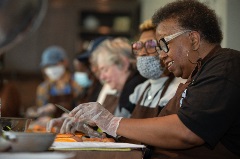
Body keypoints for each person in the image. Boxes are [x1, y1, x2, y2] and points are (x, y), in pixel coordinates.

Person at [54, 0, 240, 158]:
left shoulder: (224, 65)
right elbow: (155, 134)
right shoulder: (195, 76)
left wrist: (112, 122)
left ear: (193, 39)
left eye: (163, 44)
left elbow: (187, 132)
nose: (161, 55)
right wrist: (107, 135)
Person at [130, 19, 186, 119]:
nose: (142, 53)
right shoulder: (141, 89)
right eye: (139, 46)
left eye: (151, 45)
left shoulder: (178, 89)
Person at [91, 37, 147, 118]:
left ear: (124, 64)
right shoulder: (122, 89)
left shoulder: (134, 90)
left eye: (105, 70)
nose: (102, 77)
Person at [26, 45, 83, 120]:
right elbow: (40, 111)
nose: (51, 69)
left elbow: (83, 109)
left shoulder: (77, 83)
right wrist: (42, 112)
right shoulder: (44, 88)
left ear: (65, 62)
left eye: (54, 64)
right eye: (48, 66)